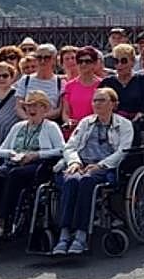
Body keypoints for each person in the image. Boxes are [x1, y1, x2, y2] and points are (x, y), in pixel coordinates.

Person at [0, 90, 65, 240]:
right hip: (14, 162)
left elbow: (61, 150)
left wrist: (36, 155)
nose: (32, 109)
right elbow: (1, 150)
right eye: (29, 106)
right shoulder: (18, 126)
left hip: (38, 165)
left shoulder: (50, 127)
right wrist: (12, 154)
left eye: (37, 106)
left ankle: (1, 220)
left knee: (14, 176)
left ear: (45, 109)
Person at [52, 87, 134, 256]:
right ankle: (65, 233)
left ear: (113, 104)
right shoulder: (86, 122)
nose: (97, 104)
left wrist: (101, 165)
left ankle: (81, 235)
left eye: (101, 100)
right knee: (71, 179)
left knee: (87, 181)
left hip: (105, 167)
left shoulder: (124, 125)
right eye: (95, 100)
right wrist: (74, 162)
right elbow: (70, 147)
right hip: (82, 163)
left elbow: (123, 151)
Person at [101, 44, 144, 124]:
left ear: (132, 62)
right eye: (116, 61)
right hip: (113, 124)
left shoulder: (142, 80)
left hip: (137, 124)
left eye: (124, 61)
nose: (119, 65)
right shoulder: (107, 82)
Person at [15, 44, 63, 120]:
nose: (42, 61)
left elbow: (59, 110)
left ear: (54, 60)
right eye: (39, 57)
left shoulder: (60, 82)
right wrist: (29, 119)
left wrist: (40, 118)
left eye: (46, 57)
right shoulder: (25, 80)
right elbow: (18, 107)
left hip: (49, 125)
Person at [62, 46, 103, 135]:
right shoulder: (69, 86)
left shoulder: (102, 85)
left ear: (95, 63)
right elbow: (65, 112)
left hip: (95, 132)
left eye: (87, 61)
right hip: (74, 133)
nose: (83, 64)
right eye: (80, 61)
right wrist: (68, 121)